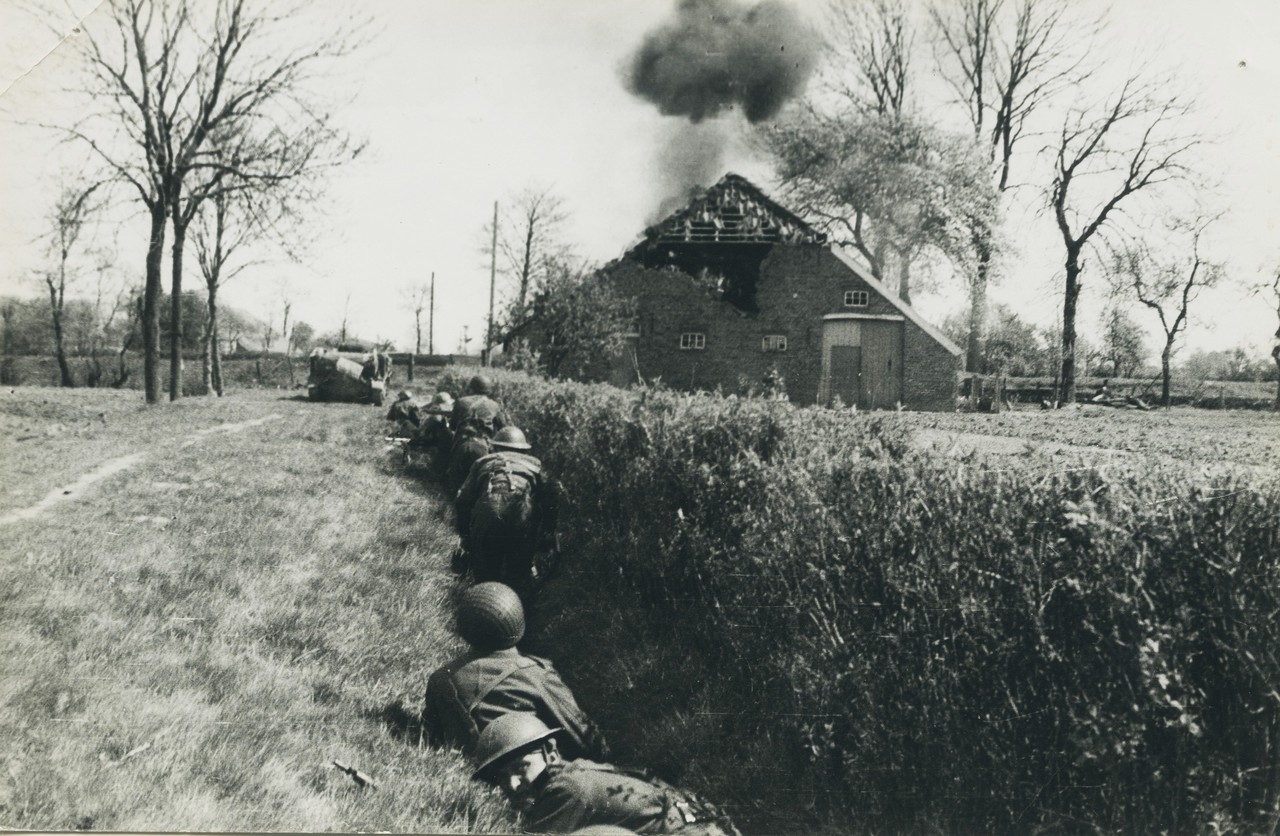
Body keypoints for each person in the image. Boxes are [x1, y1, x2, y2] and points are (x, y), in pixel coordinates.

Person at [423, 582, 609, 762]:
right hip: (529, 774)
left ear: (463, 627)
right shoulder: (536, 675)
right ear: (518, 623)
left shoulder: (441, 679)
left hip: (473, 769)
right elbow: (587, 742)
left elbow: (433, 736)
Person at [471, 713, 739, 835]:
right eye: (502, 777)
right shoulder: (581, 769)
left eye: (520, 769)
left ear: (550, 752)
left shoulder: (565, 790)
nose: (513, 785)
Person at [454, 426, 560, 587]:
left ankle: (483, 602)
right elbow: (551, 497)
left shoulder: (483, 462)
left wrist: (465, 535)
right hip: (522, 514)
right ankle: (519, 603)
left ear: (495, 447)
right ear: (523, 450)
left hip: (489, 510)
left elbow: (462, 499)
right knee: (518, 572)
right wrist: (548, 531)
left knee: (485, 572)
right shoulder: (535, 464)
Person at [447, 374, 508, 493]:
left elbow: (453, 425)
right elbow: (503, 427)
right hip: (482, 445)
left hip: (462, 443)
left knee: (455, 480)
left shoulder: (461, 402)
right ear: (488, 389)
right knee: (482, 481)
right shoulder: (494, 405)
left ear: (472, 387)